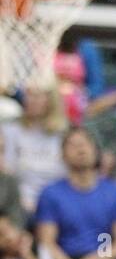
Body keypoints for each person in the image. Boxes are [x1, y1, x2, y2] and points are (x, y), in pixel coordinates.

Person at [34, 127, 116, 259]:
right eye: (73, 145)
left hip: (100, 258)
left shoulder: (114, 192)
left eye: (85, 144)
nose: (81, 149)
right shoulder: (51, 193)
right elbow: (47, 241)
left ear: (96, 151)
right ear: (62, 155)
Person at [0, 82, 66, 216]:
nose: (31, 100)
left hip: (59, 203)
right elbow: (7, 170)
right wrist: (22, 202)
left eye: (37, 96)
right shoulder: (10, 131)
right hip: (22, 203)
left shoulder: (63, 134)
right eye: (28, 95)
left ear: (51, 100)